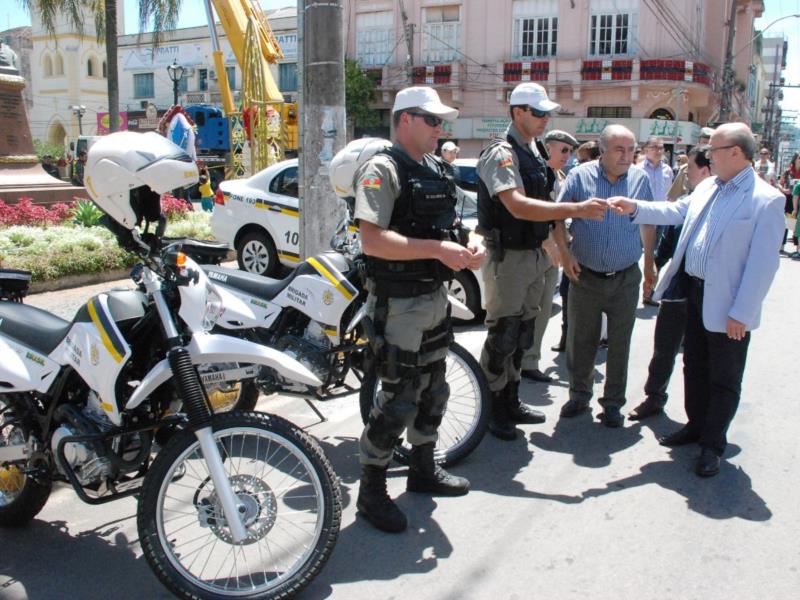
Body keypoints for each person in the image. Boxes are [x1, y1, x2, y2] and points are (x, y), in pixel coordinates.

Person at [610, 123, 784, 477]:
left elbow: (763, 265)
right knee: (694, 365)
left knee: (724, 377)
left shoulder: (766, 199)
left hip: (731, 304)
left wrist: (742, 312)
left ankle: (712, 444)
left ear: (735, 153)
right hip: (695, 291)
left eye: (713, 151)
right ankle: (695, 426)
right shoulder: (708, 186)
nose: (707, 156)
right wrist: (635, 207)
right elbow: (676, 212)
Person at [353, 86, 485, 533]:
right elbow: (371, 240)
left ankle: (423, 469)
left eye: (441, 122)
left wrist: (469, 246)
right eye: (432, 121)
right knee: (397, 400)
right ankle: (371, 491)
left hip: (433, 298)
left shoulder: (434, 168)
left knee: (435, 390)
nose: (440, 129)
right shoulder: (382, 169)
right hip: (399, 304)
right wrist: (439, 249)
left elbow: (450, 226)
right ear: (404, 120)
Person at [476, 82, 607, 441]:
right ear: (518, 112)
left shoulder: (533, 151)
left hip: (533, 254)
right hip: (508, 258)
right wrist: (576, 209)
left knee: (522, 333)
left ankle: (511, 400)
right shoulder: (502, 153)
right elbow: (517, 204)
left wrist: (560, 250)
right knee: (502, 336)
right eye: (538, 113)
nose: (545, 119)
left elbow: (545, 205)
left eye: (547, 113)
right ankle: (491, 409)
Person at [553, 125, 656, 428]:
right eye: (619, 149)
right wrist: (565, 253)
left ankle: (613, 403)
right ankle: (579, 395)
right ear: (603, 149)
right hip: (585, 275)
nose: (627, 156)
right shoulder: (579, 177)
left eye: (631, 149)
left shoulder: (639, 179)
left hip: (625, 277)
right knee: (580, 341)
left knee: (620, 343)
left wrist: (649, 263)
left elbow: (648, 222)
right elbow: (557, 216)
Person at [628, 146, 712, 421]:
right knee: (664, 348)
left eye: (690, 166)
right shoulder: (689, 199)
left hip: (707, 292)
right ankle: (654, 397)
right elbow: (668, 230)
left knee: (698, 357)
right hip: (677, 289)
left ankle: (700, 417)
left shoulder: (721, 202)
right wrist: (653, 264)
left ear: (706, 170)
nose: (686, 171)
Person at [520, 129, 579, 383]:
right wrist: (549, 242)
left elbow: (559, 216)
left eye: (570, 151)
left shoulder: (560, 175)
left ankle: (530, 360)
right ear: (549, 148)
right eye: (563, 150)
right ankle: (522, 361)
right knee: (530, 310)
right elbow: (533, 213)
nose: (567, 155)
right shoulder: (540, 174)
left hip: (555, 250)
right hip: (539, 249)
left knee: (544, 310)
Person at [551, 140, 602, 353]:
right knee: (566, 292)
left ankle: (584, 342)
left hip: (592, 253)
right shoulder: (576, 178)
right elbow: (560, 214)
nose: (576, 163)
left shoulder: (600, 184)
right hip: (574, 247)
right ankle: (567, 338)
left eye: (582, 159)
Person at [668, 127, 714, 201]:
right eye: (705, 143)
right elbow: (672, 198)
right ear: (698, 144)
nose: (707, 148)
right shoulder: (685, 170)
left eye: (710, 144)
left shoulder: (720, 171)